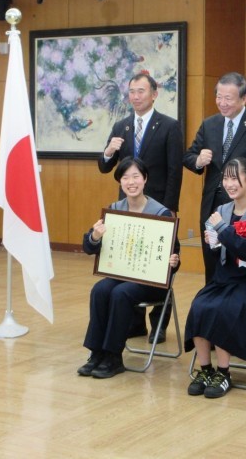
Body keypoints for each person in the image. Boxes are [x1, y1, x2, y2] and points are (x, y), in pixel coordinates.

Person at [98, 72, 183, 344]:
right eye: (132, 92)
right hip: (128, 209)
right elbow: (105, 167)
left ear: (154, 94)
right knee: (131, 262)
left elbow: (175, 171)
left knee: (159, 266)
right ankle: (134, 324)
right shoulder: (121, 126)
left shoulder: (169, 126)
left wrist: (170, 209)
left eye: (141, 91)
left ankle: (159, 325)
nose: (135, 97)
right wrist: (108, 152)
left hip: (157, 208)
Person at [184, 158, 246, 398]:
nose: (229, 184)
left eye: (235, 178)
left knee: (222, 309)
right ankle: (206, 369)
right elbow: (220, 253)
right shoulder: (222, 211)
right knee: (199, 306)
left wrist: (223, 232)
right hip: (224, 280)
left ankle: (224, 373)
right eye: (226, 178)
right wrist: (213, 243)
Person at [78, 157, 180, 379]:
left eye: (136, 176)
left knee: (121, 293)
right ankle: (97, 353)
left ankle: (113, 356)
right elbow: (89, 247)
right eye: (125, 178)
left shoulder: (160, 213)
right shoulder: (114, 210)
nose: (131, 182)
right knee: (100, 290)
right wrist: (95, 236)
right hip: (123, 274)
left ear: (145, 179)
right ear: (120, 182)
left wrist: (174, 261)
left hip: (151, 282)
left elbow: (174, 255)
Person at [183, 72, 246, 283]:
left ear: (244, 98)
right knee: (212, 265)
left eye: (228, 98)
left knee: (241, 264)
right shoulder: (209, 124)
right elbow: (189, 156)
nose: (222, 103)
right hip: (212, 207)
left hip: (245, 209)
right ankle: (214, 298)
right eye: (219, 97)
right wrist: (198, 160)